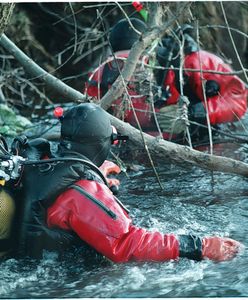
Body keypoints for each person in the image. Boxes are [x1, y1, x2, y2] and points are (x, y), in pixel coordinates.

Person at [1, 103, 242, 262]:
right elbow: (127, 243)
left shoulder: (41, 161)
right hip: (55, 282)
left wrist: (97, 174)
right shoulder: (83, 192)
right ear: (102, 143)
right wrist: (201, 246)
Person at [85, 19, 247, 145]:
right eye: (120, 62)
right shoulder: (102, 77)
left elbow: (239, 98)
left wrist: (195, 114)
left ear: (150, 55)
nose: (128, 71)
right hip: (140, 147)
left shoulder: (192, 63)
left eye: (134, 61)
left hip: (201, 142)